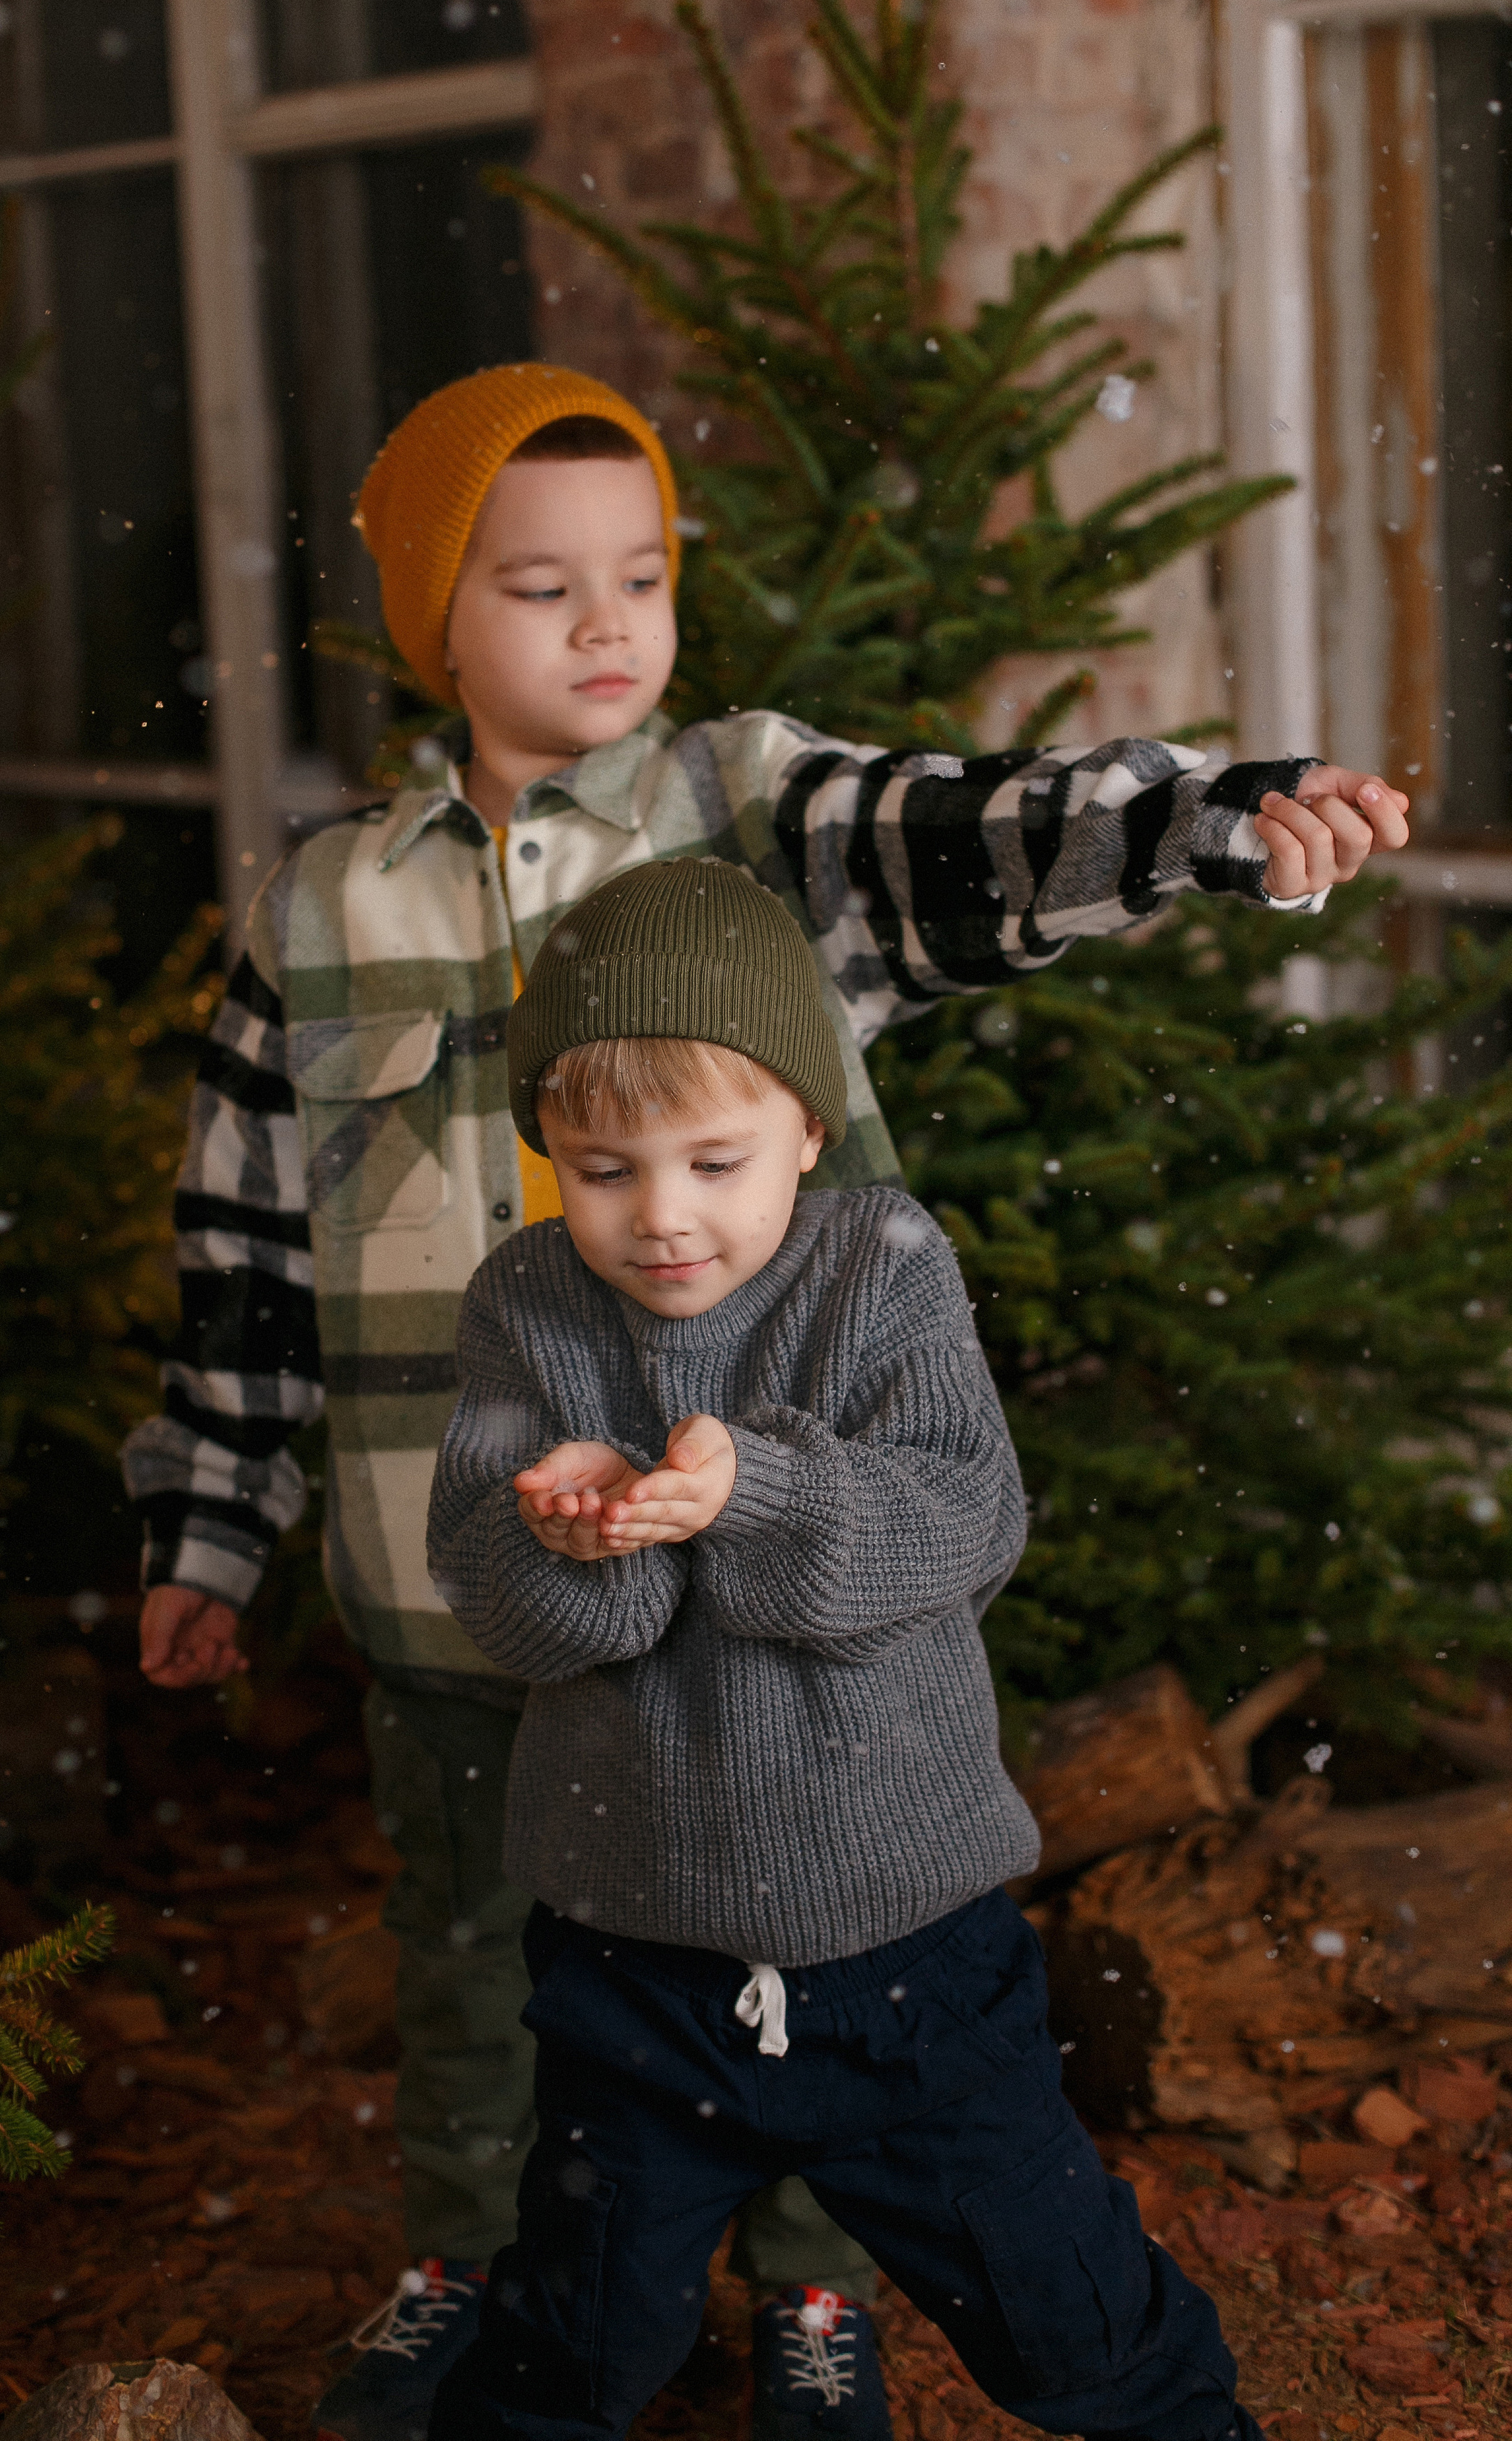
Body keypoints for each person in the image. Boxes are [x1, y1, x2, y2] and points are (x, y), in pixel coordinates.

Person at [120, 360, 1409, 2441]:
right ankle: (474, 2259)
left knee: (821, 1943)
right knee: (484, 1960)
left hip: (784, 1588)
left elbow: (977, 834)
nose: (609, 625)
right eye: (540, 588)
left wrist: (1213, 821)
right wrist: (209, 1528)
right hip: (446, 1565)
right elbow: (242, 1257)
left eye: (638, 576)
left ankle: (821, 2295)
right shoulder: (325, 907)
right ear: (435, 616)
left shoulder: (754, 815)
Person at [423, 854, 1269, 2441]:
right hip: (632, 1956)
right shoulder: (524, 1305)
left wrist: (756, 1492)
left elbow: (964, 1523)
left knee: (1066, 2310)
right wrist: (576, 1543)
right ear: (547, 1149)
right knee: (569, 2331)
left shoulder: (877, 1263)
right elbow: (501, 1600)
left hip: (910, 1958)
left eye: (713, 1160)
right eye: (601, 1170)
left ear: (808, 1131)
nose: (660, 1218)